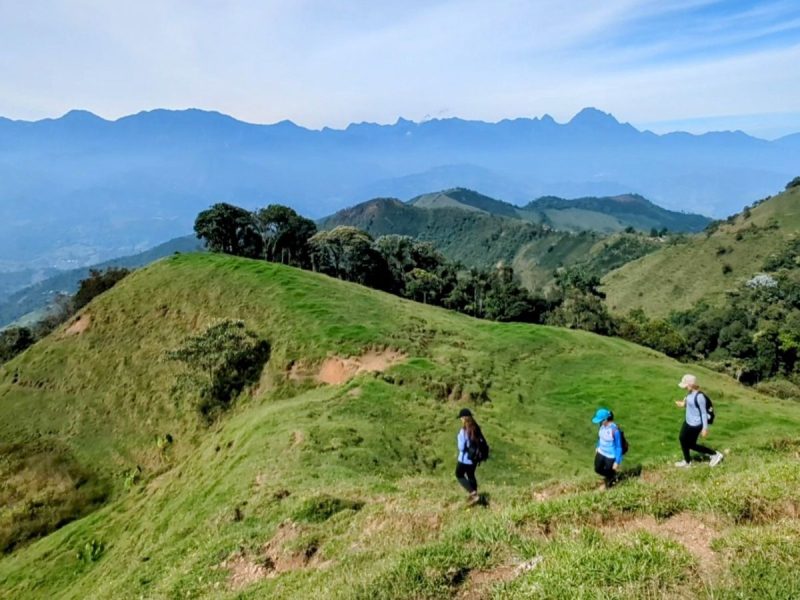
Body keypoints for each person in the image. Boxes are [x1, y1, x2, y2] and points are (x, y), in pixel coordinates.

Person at [675, 374, 724, 467]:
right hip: (688, 421)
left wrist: (705, 428)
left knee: (690, 444)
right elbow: (690, 403)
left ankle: (715, 454)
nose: (684, 388)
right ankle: (687, 461)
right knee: (682, 438)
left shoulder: (700, 397)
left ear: (691, 385)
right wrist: (682, 404)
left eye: (685, 386)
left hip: (696, 424)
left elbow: (703, 413)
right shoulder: (690, 393)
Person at [455, 408, 482, 503]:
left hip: (464, 459)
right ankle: (476, 496)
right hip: (474, 459)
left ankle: (473, 493)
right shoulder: (476, 428)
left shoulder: (463, 431)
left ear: (463, 418)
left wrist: (459, 437)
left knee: (459, 475)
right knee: (471, 475)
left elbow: (461, 447)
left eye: (461, 418)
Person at [592, 408, 623, 489]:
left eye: (600, 420)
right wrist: (597, 447)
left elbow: (619, 447)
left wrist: (617, 461)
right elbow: (600, 438)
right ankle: (611, 476)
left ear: (605, 419)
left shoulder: (615, 431)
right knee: (597, 468)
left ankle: (611, 481)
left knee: (609, 471)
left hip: (610, 455)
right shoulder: (602, 426)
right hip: (601, 451)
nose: (599, 422)